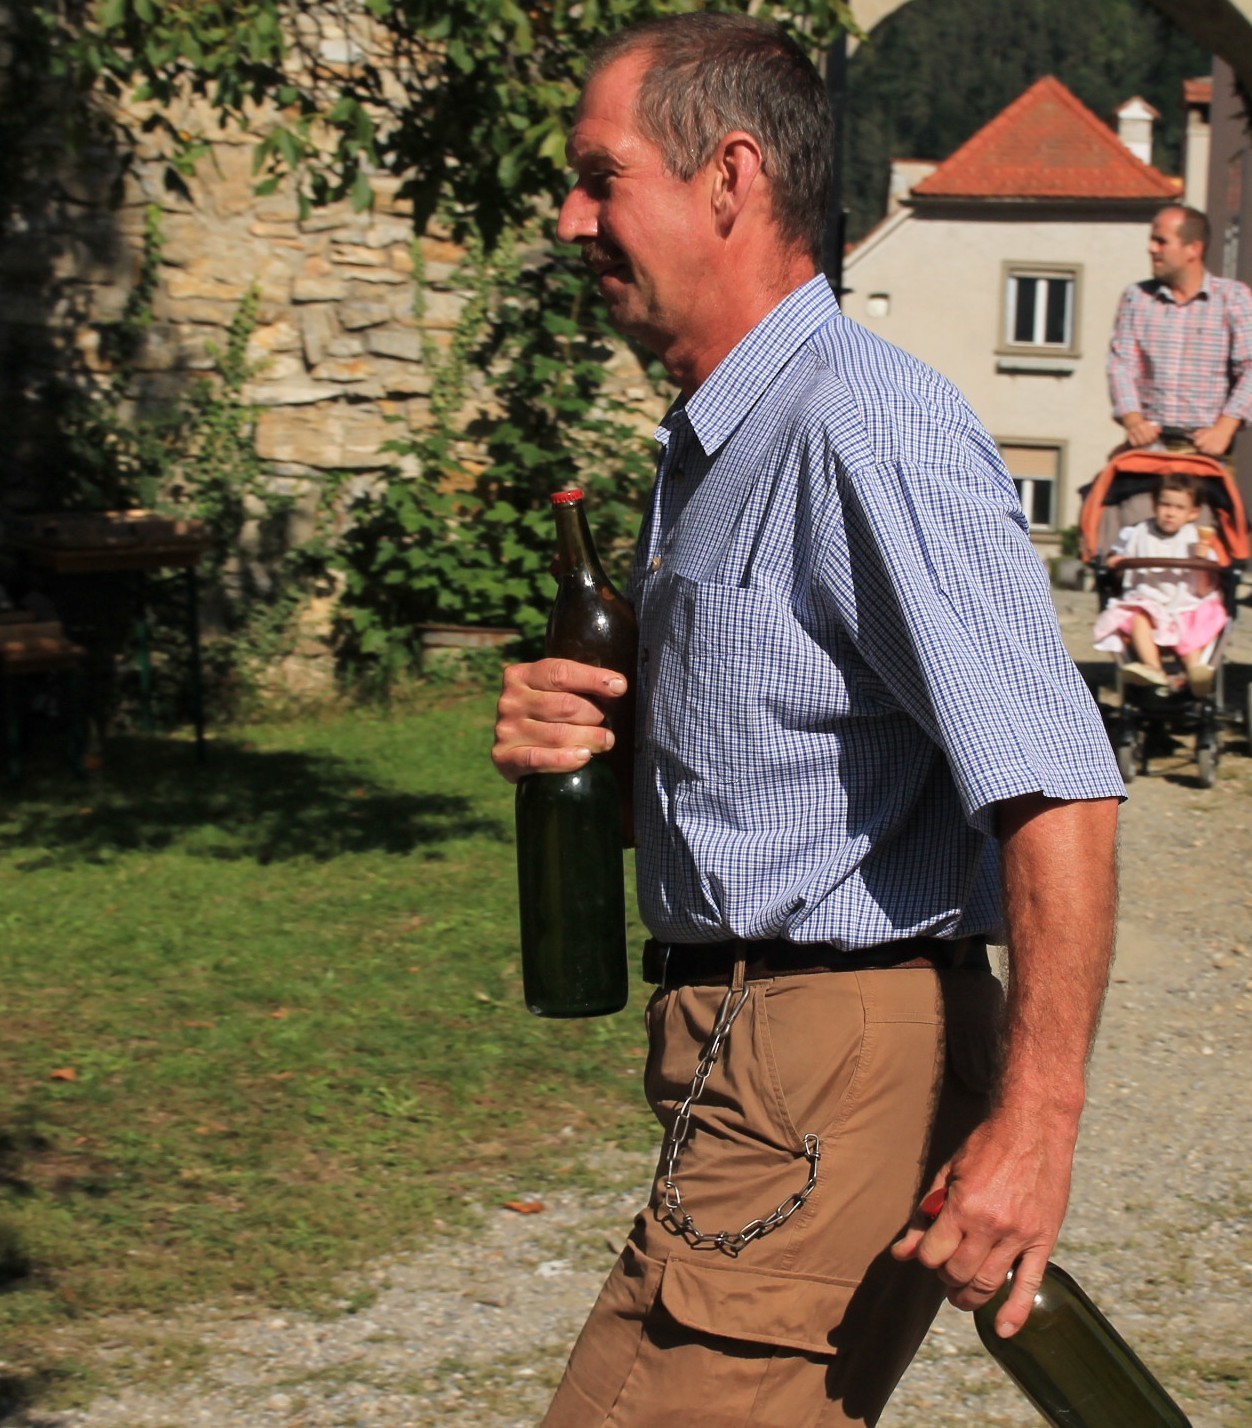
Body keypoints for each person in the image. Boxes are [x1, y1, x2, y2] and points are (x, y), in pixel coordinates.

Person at [492, 15, 1124, 1425]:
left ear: (728, 176)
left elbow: (1060, 786)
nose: (571, 219)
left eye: (600, 178)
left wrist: (1036, 1130)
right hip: (763, 1059)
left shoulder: (860, 425)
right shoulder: (720, 438)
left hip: (828, 1059)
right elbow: (773, 762)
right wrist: (589, 739)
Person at [1107, 203, 1252, 459]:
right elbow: (1122, 366)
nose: (1151, 249)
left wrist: (1224, 428)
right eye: (1152, 241)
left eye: (1161, 241)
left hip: (1204, 449)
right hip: (1149, 447)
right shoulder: (1137, 297)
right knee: (1102, 485)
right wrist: (1134, 421)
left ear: (1193, 249)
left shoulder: (1232, 298)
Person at [1093, 471, 1226, 695]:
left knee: (1192, 629)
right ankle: (1153, 669)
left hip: (1186, 601)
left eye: (1179, 508)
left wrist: (1201, 561)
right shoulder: (1136, 533)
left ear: (1193, 513)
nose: (1170, 513)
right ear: (1154, 505)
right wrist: (1116, 559)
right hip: (1148, 599)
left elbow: (1203, 588)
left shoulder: (1196, 540)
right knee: (1139, 618)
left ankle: (1197, 672)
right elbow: (1116, 555)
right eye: (1165, 505)